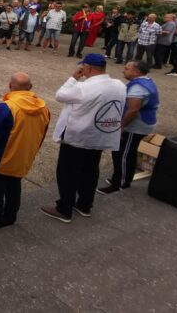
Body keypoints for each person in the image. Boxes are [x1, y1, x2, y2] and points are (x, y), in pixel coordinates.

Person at [41, 54, 126, 223]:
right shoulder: (119, 85)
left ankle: (64, 208)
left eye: (83, 68)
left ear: (88, 68)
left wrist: (74, 77)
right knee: (90, 171)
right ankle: (85, 205)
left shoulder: (83, 87)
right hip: (99, 135)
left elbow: (60, 95)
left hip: (78, 135)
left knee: (68, 172)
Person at [0, 73, 50, 233]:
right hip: (24, 156)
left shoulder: (5, 108)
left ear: (10, 86)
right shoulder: (44, 108)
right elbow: (42, 133)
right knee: (14, 187)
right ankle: (10, 216)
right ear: (30, 87)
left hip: (1, 159)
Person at [98, 60, 158, 194]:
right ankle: (119, 178)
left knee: (124, 154)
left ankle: (120, 183)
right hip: (141, 124)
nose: (123, 70)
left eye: (127, 68)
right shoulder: (145, 81)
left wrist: (121, 127)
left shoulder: (138, 88)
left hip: (135, 126)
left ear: (137, 72)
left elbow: (133, 110)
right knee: (124, 152)